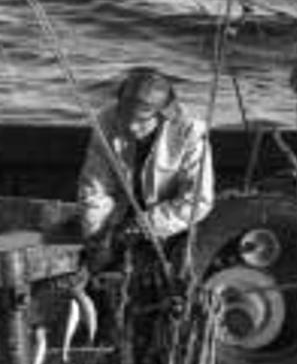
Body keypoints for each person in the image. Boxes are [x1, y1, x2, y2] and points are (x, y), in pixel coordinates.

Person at [75, 67, 215, 256]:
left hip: (172, 224)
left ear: (162, 117)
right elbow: (95, 188)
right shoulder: (106, 122)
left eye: (141, 120)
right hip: (120, 218)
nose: (132, 126)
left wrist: (145, 225)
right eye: (126, 117)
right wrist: (97, 237)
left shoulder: (190, 131)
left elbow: (198, 201)